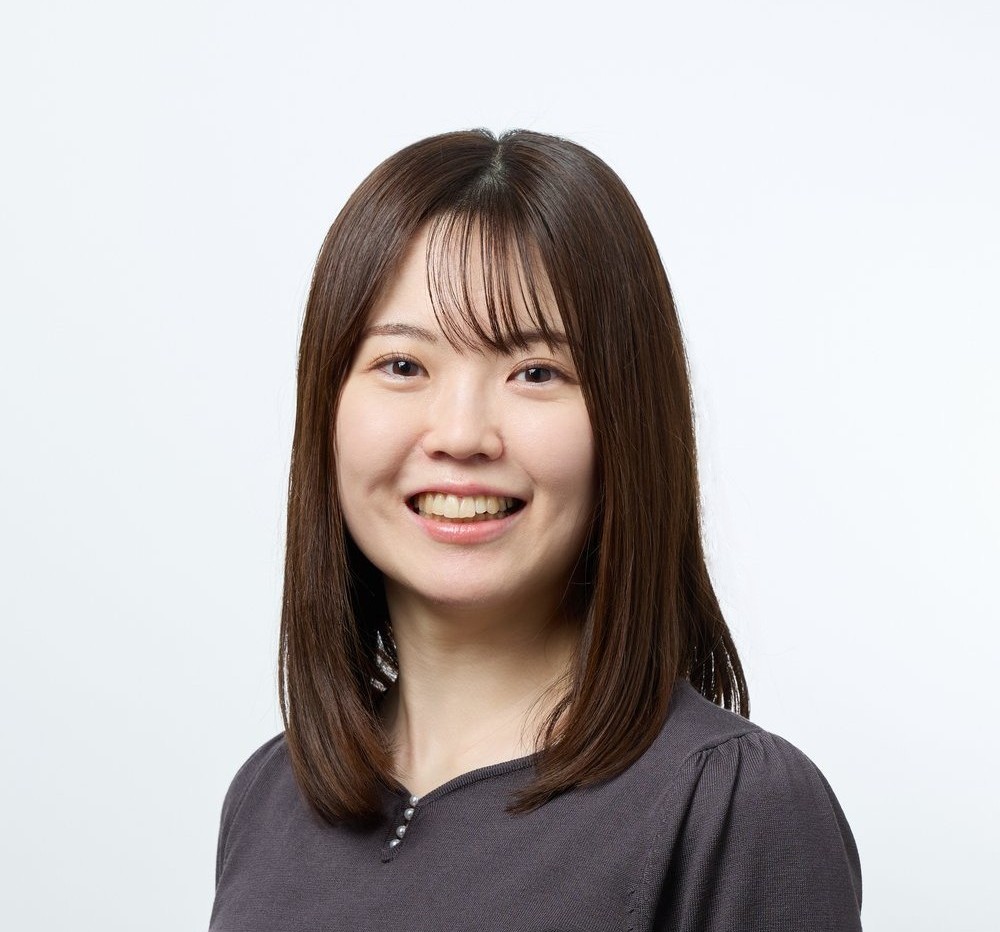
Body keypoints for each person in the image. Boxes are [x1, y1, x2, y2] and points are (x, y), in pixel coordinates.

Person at [208, 129, 863, 931]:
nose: (461, 434)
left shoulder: (732, 805)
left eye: (537, 372)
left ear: (627, 423)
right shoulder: (269, 797)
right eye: (403, 366)